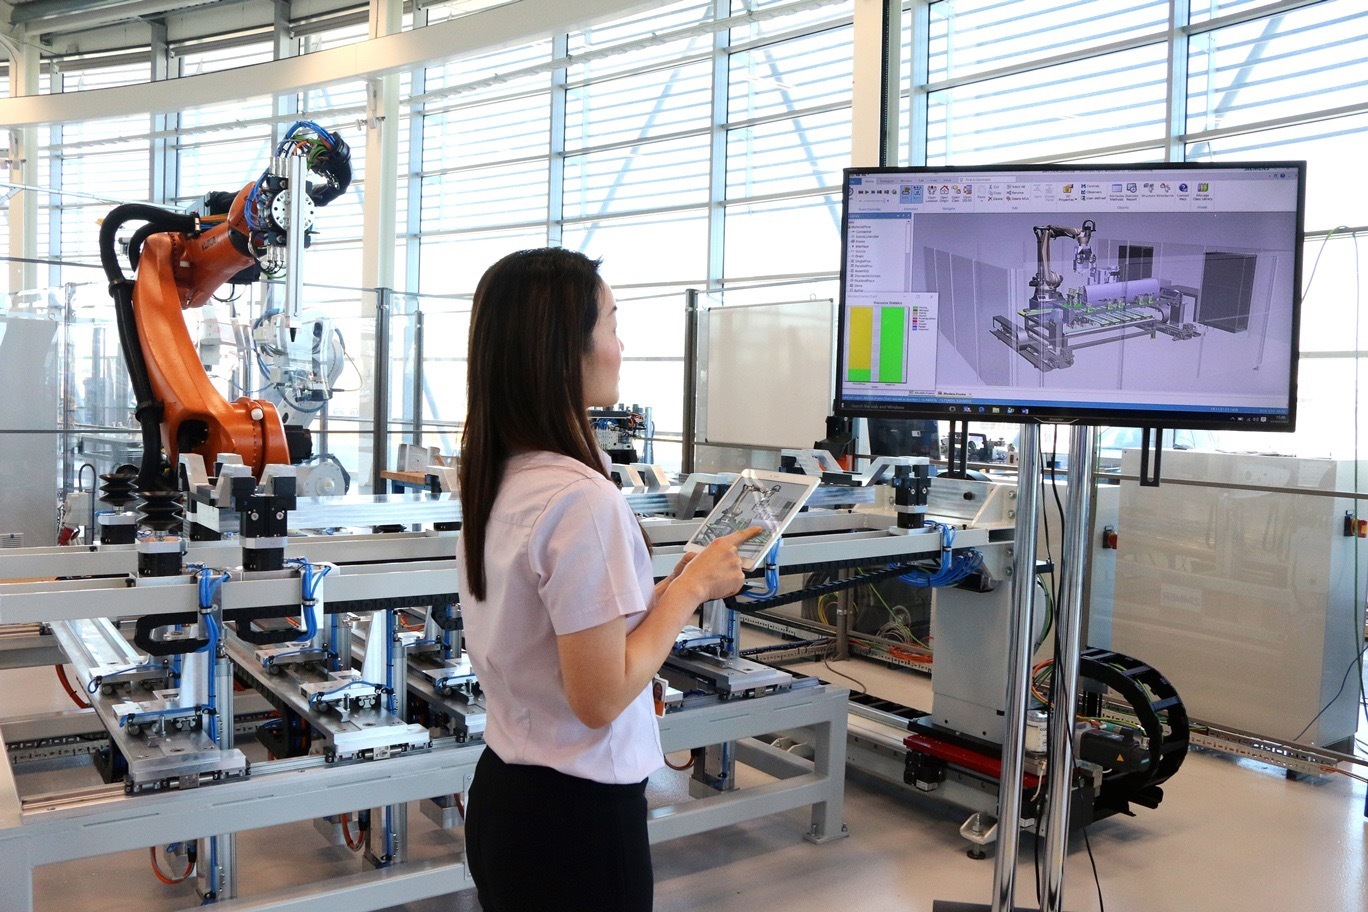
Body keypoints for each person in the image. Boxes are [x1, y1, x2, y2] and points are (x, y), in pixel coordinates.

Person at [456, 247, 761, 912]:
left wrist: (665, 593)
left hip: (507, 799)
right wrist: (688, 593)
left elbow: (559, 634)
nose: (621, 346)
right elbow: (598, 698)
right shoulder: (582, 500)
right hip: (576, 830)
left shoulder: (502, 477)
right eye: (612, 324)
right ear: (569, 350)